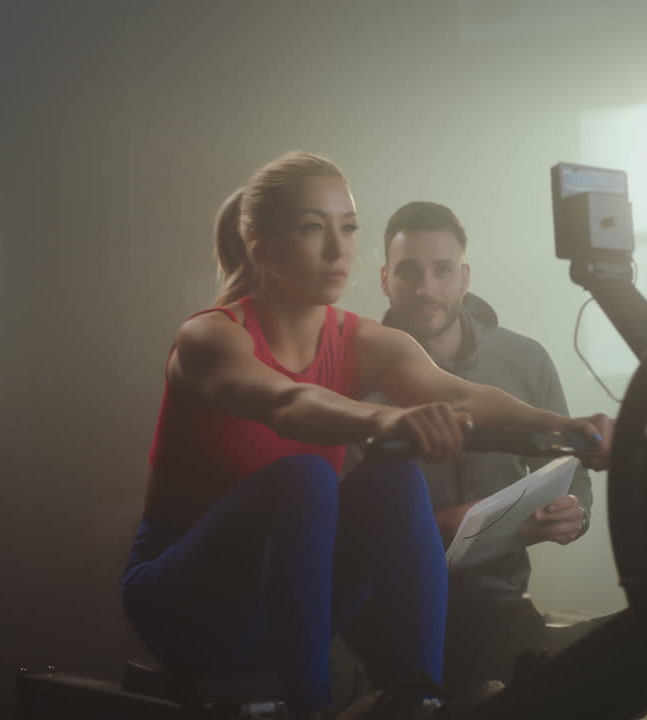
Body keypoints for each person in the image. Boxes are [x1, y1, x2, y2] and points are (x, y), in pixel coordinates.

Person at [119, 152, 613, 720]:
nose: (338, 249)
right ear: (260, 244)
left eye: (348, 228)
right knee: (305, 479)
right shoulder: (209, 338)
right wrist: (387, 419)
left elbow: (458, 394)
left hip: (287, 607)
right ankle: (313, 709)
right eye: (312, 228)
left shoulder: (362, 339)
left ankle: (419, 697)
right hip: (187, 607)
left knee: (392, 479)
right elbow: (287, 402)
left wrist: (565, 427)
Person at [345, 201, 593, 698]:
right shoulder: (350, 374)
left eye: (443, 270)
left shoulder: (524, 360)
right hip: (385, 604)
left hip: (500, 600)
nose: (426, 289)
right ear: (384, 279)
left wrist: (574, 514)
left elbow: (573, 473)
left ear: (465, 276)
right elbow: (343, 523)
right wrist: (453, 522)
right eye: (409, 271)